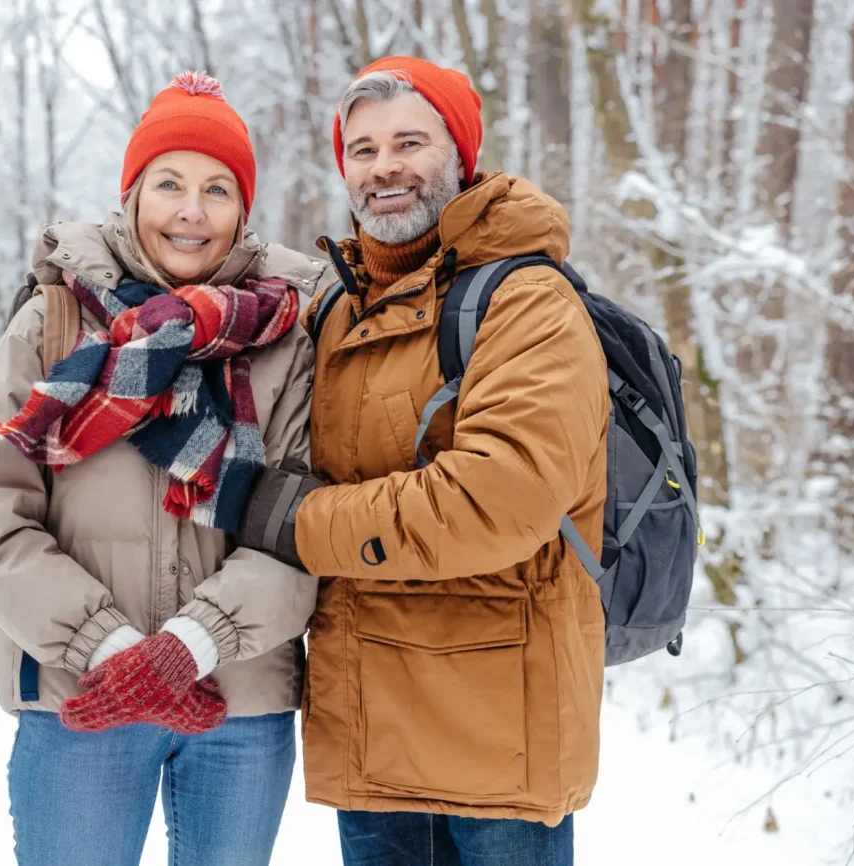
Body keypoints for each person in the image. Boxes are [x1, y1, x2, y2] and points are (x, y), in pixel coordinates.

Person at [0, 71, 328, 866]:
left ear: (242, 209)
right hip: (78, 694)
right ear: (132, 195)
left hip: (240, 698)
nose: (192, 210)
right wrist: (110, 647)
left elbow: (305, 519)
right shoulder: (54, 319)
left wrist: (193, 643)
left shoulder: (288, 337)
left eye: (217, 189)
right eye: (170, 184)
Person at [236, 57, 609, 866]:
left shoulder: (525, 300)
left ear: (461, 155)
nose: (386, 167)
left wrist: (294, 521)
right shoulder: (334, 305)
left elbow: (497, 499)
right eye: (362, 150)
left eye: (411, 142)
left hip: (497, 742)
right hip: (368, 733)